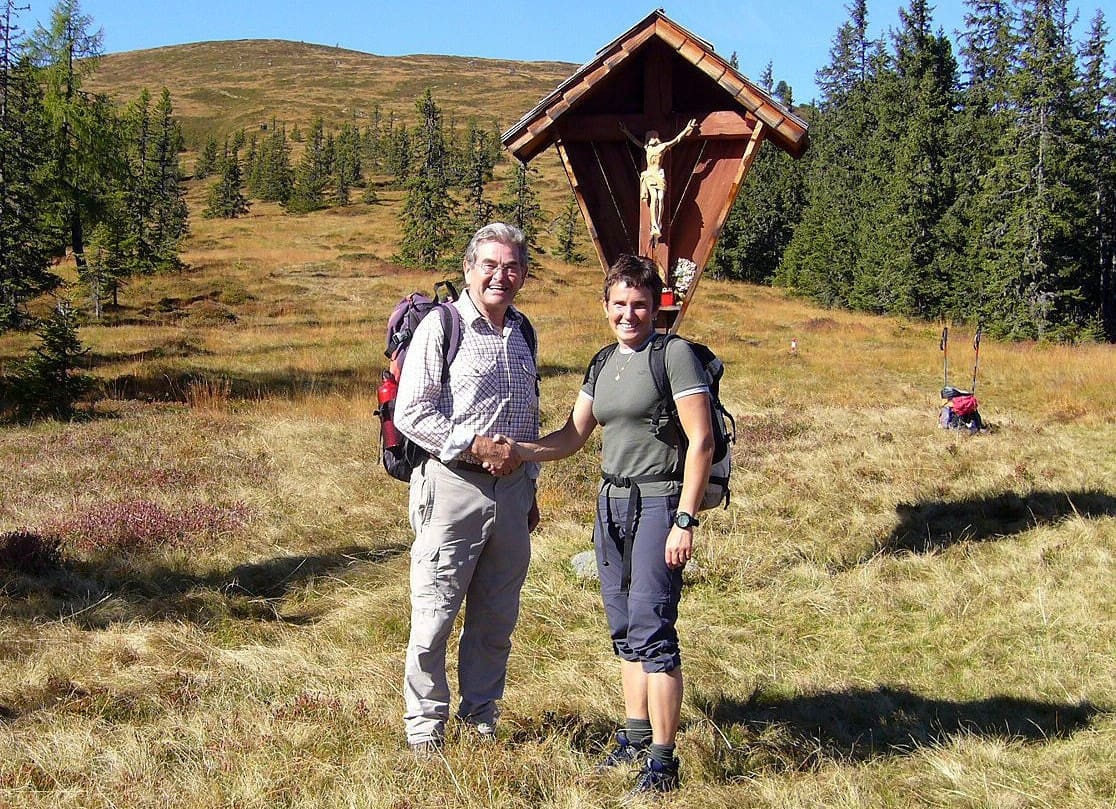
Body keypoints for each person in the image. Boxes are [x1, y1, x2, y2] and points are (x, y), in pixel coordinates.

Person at [495, 254, 713, 796]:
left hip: (660, 502)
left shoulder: (675, 356)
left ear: (657, 306)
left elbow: (701, 442)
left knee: (651, 623)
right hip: (610, 504)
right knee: (622, 624)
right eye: (619, 304)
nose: (629, 315)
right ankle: (635, 734)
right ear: (606, 307)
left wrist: (684, 519)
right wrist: (521, 451)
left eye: (640, 304)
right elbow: (573, 435)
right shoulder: (603, 362)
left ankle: (663, 760)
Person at [393, 222, 541, 756]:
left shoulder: (524, 331)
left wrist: (531, 490)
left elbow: (528, 415)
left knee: (495, 619)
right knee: (433, 617)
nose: (501, 275)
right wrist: (476, 446)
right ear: (468, 269)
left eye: (511, 266)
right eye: (490, 265)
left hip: (513, 493)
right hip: (453, 487)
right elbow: (412, 412)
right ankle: (425, 732)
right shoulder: (442, 325)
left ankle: (480, 722)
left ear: (522, 274)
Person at [620, 119, 698, 239]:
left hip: (659, 175)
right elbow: (635, 141)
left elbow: (676, 139)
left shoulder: (662, 147)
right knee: (654, 198)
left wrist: (688, 129)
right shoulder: (647, 148)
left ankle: (658, 221)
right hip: (650, 175)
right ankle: (654, 224)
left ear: (655, 138)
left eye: (650, 137)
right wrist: (626, 131)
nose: (648, 140)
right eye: (648, 138)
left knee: (661, 199)